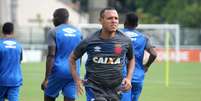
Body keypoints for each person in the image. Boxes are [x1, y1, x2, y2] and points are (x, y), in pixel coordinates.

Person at [69, 7, 135, 101]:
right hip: (94, 88)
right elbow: (72, 58)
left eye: (116, 18)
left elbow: (132, 59)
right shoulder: (90, 40)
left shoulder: (125, 40)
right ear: (101, 20)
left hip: (116, 88)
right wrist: (77, 79)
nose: (114, 21)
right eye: (110, 18)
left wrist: (128, 78)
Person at [41, 8, 82, 101]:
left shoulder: (53, 32)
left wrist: (46, 78)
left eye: (53, 17)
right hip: (74, 72)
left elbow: (51, 55)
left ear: (57, 18)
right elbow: (80, 55)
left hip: (58, 72)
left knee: (48, 97)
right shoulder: (78, 32)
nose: (52, 20)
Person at [121, 12, 157, 101]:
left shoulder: (118, 35)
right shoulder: (143, 38)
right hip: (138, 76)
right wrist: (146, 66)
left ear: (125, 22)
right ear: (137, 24)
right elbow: (154, 54)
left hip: (122, 76)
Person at [0, 22, 23, 101]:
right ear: (13, 32)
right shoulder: (18, 46)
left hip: (1, 79)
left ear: (2, 31)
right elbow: (19, 61)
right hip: (15, 80)